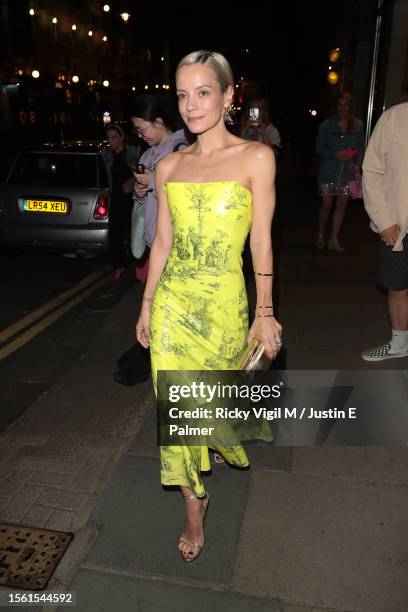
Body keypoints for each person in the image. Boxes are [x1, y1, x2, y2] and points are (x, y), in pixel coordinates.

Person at [136, 50, 282, 562]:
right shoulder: (169, 166)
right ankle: (193, 505)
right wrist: (147, 303)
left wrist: (265, 311)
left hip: (224, 303)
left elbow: (262, 241)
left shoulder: (256, 158)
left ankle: (212, 439)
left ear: (227, 96)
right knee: (176, 410)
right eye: (182, 94)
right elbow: (161, 245)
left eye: (203, 92)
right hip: (175, 303)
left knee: (211, 401)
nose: (191, 105)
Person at [361, 102, 408, 361]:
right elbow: (371, 170)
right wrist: (384, 220)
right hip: (399, 225)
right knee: (396, 286)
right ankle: (400, 344)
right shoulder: (394, 118)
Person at [129, 96, 189, 282]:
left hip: (175, 245)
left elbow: (186, 192)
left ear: (158, 122)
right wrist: (139, 192)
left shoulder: (181, 148)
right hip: (153, 242)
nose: (140, 135)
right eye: (137, 131)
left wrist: (153, 180)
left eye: (142, 129)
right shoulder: (146, 155)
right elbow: (143, 202)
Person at [315, 92, 364, 252]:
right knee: (326, 205)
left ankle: (334, 239)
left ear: (351, 107)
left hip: (347, 172)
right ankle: (321, 235)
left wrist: (357, 164)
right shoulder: (326, 125)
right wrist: (334, 154)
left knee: (342, 205)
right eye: (339, 105)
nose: (342, 108)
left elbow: (360, 147)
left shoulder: (358, 125)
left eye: (345, 105)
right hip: (329, 170)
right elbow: (319, 148)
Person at [101, 124, 138, 281]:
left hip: (132, 199)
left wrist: (132, 182)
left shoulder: (133, 152)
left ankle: (140, 267)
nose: (111, 141)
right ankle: (119, 267)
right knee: (115, 235)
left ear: (122, 137)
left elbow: (142, 172)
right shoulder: (106, 154)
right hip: (115, 199)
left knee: (134, 234)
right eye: (109, 138)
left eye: (114, 137)